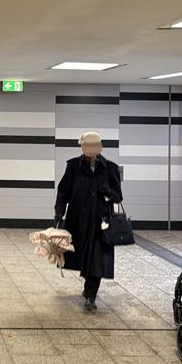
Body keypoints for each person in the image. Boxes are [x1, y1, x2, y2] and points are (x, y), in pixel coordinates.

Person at [54, 131, 122, 313]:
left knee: (97, 258)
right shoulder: (73, 167)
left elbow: (118, 197)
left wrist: (108, 192)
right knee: (82, 255)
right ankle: (88, 285)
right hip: (77, 221)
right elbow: (63, 191)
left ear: (100, 148)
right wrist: (59, 212)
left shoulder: (110, 168)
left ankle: (91, 294)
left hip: (101, 224)